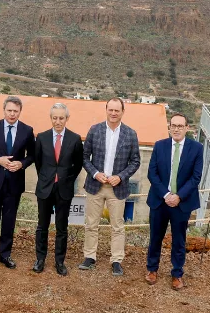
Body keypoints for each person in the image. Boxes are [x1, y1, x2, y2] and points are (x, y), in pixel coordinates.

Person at [79, 98, 142, 277]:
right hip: (95, 185)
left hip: (118, 187)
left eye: (117, 110)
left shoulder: (130, 134)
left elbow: (135, 161)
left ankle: (116, 261)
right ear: (106, 110)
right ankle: (89, 257)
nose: (113, 113)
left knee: (117, 226)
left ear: (123, 112)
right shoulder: (95, 130)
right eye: (111, 110)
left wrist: (120, 177)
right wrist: (95, 173)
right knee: (91, 224)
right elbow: (84, 157)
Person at [145, 112, 203, 290]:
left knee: (179, 240)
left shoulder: (196, 148)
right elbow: (152, 174)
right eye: (173, 125)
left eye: (180, 126)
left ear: (187, 128)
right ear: (169, 127)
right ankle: (152, 269)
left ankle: (177, 274)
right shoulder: (159, 146)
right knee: (155, 237)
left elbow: (196, 177)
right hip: (159, 200)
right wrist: (166, 195)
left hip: (182, 202)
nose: (176, 129)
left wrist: (178, 196)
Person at [0, 95, 35, 269]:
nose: (12, 114)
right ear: (4, 110)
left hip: (14, 183)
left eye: (15, 111)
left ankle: (5, 254)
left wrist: (22, 163)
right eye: (9, 110)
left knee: (9, 220)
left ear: (20, 112)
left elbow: (32, 155)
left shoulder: (27, 130)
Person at [32, 103, 84, 276]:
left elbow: (78, 165)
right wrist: (48, 178)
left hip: (64, 189)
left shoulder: (75, 139)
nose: (58, 121)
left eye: (61, 118)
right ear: (51, 118)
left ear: (67, 118)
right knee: (42, 226)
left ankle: (59, 262)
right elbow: (38, 163)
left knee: (62, 228)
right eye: (55, 118)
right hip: (45, 188)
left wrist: (66, 180)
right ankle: (40, 259)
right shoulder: (41, 137)